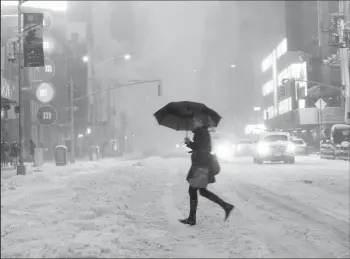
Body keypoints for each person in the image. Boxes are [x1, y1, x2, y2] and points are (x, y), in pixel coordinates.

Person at [179, 114, 234, 226]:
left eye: (195, 121)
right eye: (193, 120)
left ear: (201, 121)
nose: (193, 122)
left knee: (193, 190)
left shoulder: (201, 132)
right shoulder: (201, 131)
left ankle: (192, 219)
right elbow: (200, 146)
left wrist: (189, 143)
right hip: (201, 164)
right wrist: (189, 143)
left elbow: (201, 147)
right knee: (202, 191)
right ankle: (226, 206)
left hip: (201, 165)